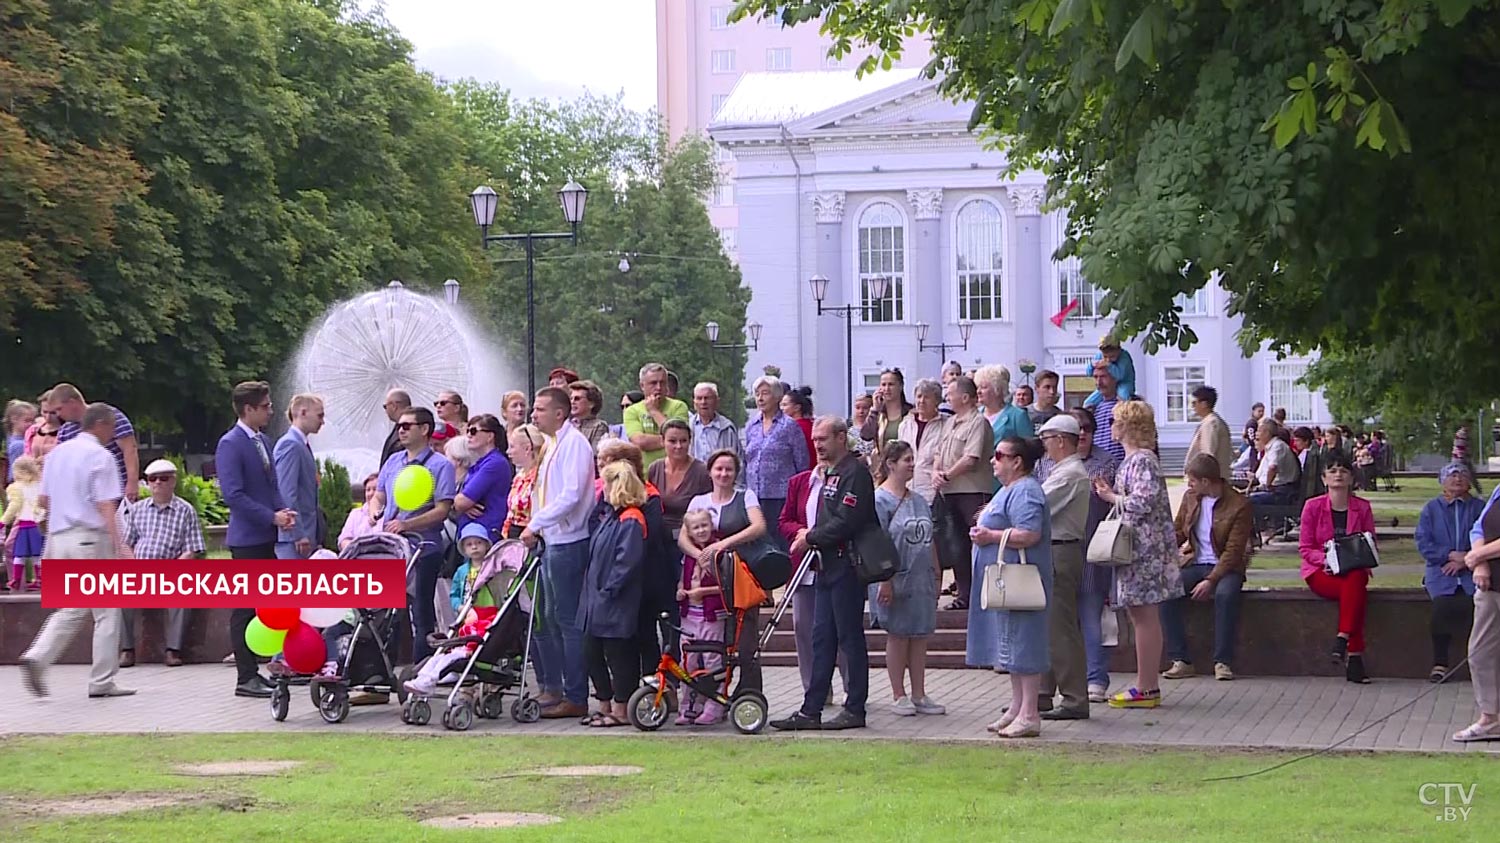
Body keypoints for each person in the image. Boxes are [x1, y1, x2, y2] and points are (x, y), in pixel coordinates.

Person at [18, 403, 133, 699]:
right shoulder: (101, 456)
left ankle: (39, 656)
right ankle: (101, 680)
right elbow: (106, 504)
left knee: (70, 606)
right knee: (107, 610)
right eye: (110, 428)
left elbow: (43, 500)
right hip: (89, 538)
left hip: (57, 539)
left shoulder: (57, 454)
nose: (111, 435)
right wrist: (120, 544)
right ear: (102, 425)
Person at [772, 417, 875, 731]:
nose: (817, 444)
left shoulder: (855, 473)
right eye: (815, 439)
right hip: (826, 565)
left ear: (842, 438)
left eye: (823, 438)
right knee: (821, 639)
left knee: (849, 638)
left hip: (847, 565)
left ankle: (855, 708)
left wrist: (810, 537)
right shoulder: (831, 473)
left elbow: (847, 521)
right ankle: (810, 709)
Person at [1091, 400, 1182, 709]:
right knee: (1141, 615)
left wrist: (1110, 496)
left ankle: (1147, 686)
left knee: (1144, 616)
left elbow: (1142, 502)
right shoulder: (1136, 459)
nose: (1111, 428)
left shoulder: (1141, 460)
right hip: (1141, 549)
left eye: (1116, 422)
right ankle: (1146, 684)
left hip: (1144, 551)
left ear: (1127, 427)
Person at [216, 381, 296, 698]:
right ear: (248, 409)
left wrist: (281, 511)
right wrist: (269, 516)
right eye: (265, 406)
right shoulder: (231, 443)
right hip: (247, 539)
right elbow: (233, 495)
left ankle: (259, 669)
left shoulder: (262, 441)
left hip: (265, 536)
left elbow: (270, 485)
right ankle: (245, 676)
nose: (271, 410)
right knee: (245, 607)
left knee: (266, 604)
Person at [969, 436, 1052, 738]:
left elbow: (1030, 534)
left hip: (1021, 581)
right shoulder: (1010, 489)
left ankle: (1030, 713)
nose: (993, 460)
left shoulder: (1027, 491)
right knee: (1012, 645)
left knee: (1025, 643)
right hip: (1008, 583)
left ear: (1017, 461)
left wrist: (990, 536)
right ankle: (1017, 708)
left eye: (1000, 455)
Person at [522, 387, 597, 720]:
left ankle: (576, 695)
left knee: (568, 621)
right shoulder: (552, 443)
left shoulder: (575, 444)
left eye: (539, 409)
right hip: (553, 540)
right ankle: (559, 688)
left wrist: (536, 523)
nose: (533, 415)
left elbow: (571, 494)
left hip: (569, 540)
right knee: (551, 618)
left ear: (560, 413)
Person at [377, 406, 457, 664]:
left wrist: (408, 525)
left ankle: (423, 667)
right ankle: (383, 669)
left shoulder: (440, 465)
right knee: (385, 611)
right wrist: (374, 509)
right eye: (399, 425)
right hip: (392, 546)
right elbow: (379, 494)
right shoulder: (393, 461)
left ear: (424, 429)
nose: (400, 430)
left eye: (407, 425)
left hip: (424, 546)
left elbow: (443, 510)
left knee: (421, 610)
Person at [1162, 454, 1253, 682]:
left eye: (1192, 481)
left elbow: (1233, 551)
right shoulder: (1191, 498)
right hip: (1196, 562)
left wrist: (1211, 580)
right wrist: (1161, 548)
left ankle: (1223, 661)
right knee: (1166, 593)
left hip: (1226, 567)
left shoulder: (1239, 505)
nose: (1189, 485)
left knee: (1225, 595)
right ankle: (1180, 659)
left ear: (1206, 481)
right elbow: (1179, 531)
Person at [871, 441, 943, 717]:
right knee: (899, 634)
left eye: (913, 459)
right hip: (896, 577)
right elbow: (877, 542)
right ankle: (898, 694)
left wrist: (936, 571)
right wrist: (885, 580)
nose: (912, 464)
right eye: (906, 460)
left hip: (921, 576)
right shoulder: (880, 500)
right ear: (891, 464)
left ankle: (919, 693)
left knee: (920, 634)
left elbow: (930, 538)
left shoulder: (919, 500)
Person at [579, 461, 650, 727]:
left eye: (607, 484)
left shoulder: (632, 518)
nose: (603, 489)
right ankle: (604, 704)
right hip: (595, 598)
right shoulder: (611, 516)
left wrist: (609, 589)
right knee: (591, 651)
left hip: (614, 599)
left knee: (618, 654)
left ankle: (621, 709)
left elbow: (627, 561)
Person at [399, 523, 507, 695]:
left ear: (487, 545)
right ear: (463, 548)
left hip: (484, 619)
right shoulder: (462, 571)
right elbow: (455, 594)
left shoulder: (493, 570)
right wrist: (459, 606)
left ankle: (429, 680)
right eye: (470, 544)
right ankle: (423, 679)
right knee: (440, 656)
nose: (474, 547)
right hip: (466, 617)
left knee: (450, 657)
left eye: (478, 543)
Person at [117, 458, 205, 668]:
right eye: (152, 479)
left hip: (170, 570)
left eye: (163, 478)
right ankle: (127, 650)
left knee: (182, 595)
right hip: (140, 570)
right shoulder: (137, 510)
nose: (157, 483)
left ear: (173, 481)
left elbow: (192, 549)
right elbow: (125, 544)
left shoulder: (185, 510)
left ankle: (173, 650)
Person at [1298, 450, 1376, 683]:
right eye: (1332, 471)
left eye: (1343, 471)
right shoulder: (1312, 507)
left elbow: (1370, 542)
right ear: (1324, 479)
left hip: (1353, 570)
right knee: (1356, 590)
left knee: (1355, 581)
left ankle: (1343, 639)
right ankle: (1353, 654)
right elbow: (1305, 547)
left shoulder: (1362, 507)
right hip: (1321, 572)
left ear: (1352, 478)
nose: (1338, 475)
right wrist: (1327, 562)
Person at [1036, 415, 1092, 719]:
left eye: (1047, 439)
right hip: (1056, 551)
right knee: (1050, 626)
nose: (1044, 446)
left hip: (1061, 551)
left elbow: (1038, 506)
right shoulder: (1063, 471)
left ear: (1060, 440)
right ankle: (1043, 692)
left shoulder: (1068, 474)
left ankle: (1073, 698)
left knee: (1060, 628)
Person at [1415, 463, 1483, 682]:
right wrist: (1448, 555)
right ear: (1442, 480)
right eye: (1452, 475)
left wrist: (1466, 559)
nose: (1458, 479)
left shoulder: (1479, 507)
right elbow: (1423, 542)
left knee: (1481, 610)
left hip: (1473, 570)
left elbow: (1487, 536)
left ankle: (1480, 665)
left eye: (1463, 474)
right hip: (1442, 572)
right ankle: (1440, 663)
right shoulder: (1431, 509)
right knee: (1441, 609)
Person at [932, 375, 994, 611]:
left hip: (972, 491)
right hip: (950, 492)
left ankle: (981, 593)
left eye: (951, 392)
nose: (947, 396)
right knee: (956, 544)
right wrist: (937, 472)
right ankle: (964, 593)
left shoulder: (977, 422)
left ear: (965, 397)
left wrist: (946, 474)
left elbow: (971, 458)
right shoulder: (950, 423)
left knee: (976, 542)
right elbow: (939, 452)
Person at [1455, 485, 1500, 741]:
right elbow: (1478, 527)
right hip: (1490, 584)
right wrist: (1480, 563)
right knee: (1480, 652)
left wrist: (1477, 554)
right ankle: (1490, 717)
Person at [675, 509, 728, 725]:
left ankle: (715, 706)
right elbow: (682, 579)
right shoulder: (688, 554)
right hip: (690, 616)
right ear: (688, 531)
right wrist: (680, 590)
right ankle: (689, 706)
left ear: (711, 525)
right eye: (696, 527)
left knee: (712, 661)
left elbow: (727, 586)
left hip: (712, 616)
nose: (701, 530)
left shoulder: (720, 552)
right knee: (688, 661)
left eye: (704, 525)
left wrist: (703, 593)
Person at [744, 374, 808, 550]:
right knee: (757, 544)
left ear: (777, 396)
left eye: (765, 393)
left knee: (778, 544)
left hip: (781, 496)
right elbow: (746, 460)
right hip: (755, 495)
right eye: (757, 393)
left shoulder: (789, 426)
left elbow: (802, 462)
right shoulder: (752, 425)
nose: (760, 398)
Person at [52, 384, 139, 500]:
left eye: (59, 409)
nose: (58, 414)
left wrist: (132, 482)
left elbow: (129, 450)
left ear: (72, 402)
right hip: (83, 495)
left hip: (117, 489)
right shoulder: (65, 431)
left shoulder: (109, 415)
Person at [274, 394, 324, 560]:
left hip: (303, 536)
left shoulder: (300, 444)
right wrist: (298, 534)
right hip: (294, 540)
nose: (322, 422)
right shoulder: (291, 444)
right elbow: (286, 493)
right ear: (303, 413)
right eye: (319, 415)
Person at [452, 413, 512, 542]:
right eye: (467, 431)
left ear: (490, 436)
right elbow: (461, 501)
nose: (468, 435)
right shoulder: (481, 463)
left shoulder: (494, 463)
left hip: (485, 536)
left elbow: (462, 501)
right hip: (473, 534)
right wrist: (462, 504)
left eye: (473, 431)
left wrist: (462, 504)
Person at [648, 420, 712, 538]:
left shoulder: (702, 472)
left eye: (683, 441)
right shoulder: (654, 469)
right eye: (672, 441)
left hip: (690, 537)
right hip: (657, 536)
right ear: (662, 441)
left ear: (690, 442)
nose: (678, 446)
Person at [624, 362, 690, 467]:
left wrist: (654, 411)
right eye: (653, 383)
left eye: (662, 383)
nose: (658, 387)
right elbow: (640, 442)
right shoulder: (632, 411)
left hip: (676, 470)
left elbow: (677, 435)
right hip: (645, 473)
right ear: (642, 385)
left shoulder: (679, 406)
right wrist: (669, 440)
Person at [3, 455, 45, 591]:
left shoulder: (15, 488)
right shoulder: (39, 485)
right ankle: (39, 579)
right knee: (36, 554)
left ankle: (16, 579)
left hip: (24, 524)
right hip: (38, 523)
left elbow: (14, 506)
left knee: (18, 553)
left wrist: (3, 521)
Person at [501, 425, 546, 541]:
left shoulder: (540, 476)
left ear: (527, 448)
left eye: (512, 447)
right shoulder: (520, 475)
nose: (508, 451)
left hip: (530, 536)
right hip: (514, 535)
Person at [860, 368, 912, 466]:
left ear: (900, 386)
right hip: (882, 467)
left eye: (891, 384)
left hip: (905, 465)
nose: (887, 389)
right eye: (883, 385)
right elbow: (866, 435)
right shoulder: (878, 413)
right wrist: (875, 410)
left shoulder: (910, 412)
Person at [975, 364, 1035, 446]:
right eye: (978, 387)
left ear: (998, 390)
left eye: (984, 387)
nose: (978, 391)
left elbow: (1029, 447)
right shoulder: (976, 414)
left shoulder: (1018, 416)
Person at [1186, 386, 1233, 483]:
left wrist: (1202, 481)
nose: (1193, 407)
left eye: (1195, 403)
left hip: (1210, 481)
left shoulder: (1211, 423)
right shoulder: (1210, 421)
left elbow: (1207, 455)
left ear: (1204, 404)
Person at [689, 382, 742, 466]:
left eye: (707, 398)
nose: (703, 402)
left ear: (717, 401)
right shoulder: (687, 427)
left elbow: (738, 461)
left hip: (721, 477)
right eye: (699, 398)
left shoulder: (727, 429)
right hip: (694, 478)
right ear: (694, 403)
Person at [1088, 362, 1126, 465]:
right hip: (1100, 468)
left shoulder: (1128, 406)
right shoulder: (1093, 408)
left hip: (1121, 466)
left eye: (1104, 377)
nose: (1099, 382)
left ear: (1115, 378)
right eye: (1096, 377)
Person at [1083, 336, 1135, 405]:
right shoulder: (1099, 355)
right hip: (1107, 385)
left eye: (1112, 356)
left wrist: (1108, 365)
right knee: (1088, 403)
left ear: (1118, 351)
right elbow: (1089, 373)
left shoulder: (1124, 357)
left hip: (1124, 383)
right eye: (1105, 356)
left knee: (1124, 399)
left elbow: (1119, 376)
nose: (1108, 359)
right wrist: (1092, 365)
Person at [338, 473, 383, 551]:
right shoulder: (355, 514)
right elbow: (343, 540)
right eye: (368, 490)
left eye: (375, 489)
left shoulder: (389, 514)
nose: (371, 493)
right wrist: (354, 548)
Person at [567, 380, 612, 450]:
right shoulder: (567, 425)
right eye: (571, 398)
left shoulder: (599, 426)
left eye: (577, 399)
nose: (572, 402)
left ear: (591, 404)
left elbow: (597, 455)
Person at [782, 386, 817, 470]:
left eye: (785, 405)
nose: (781, 408)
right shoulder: (812, 424)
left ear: (797, 407)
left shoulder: (792, 427)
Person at [5, 400, 37, 482]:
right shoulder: (19, 445)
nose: (31, 424)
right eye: (27, 421)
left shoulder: (14, 439)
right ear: (14, 419)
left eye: (33, 421)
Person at [379, 390, 412, 467]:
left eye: (385, 406)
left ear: (394, 406)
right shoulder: (398, 426)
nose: (385, 411)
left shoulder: (412, 428)